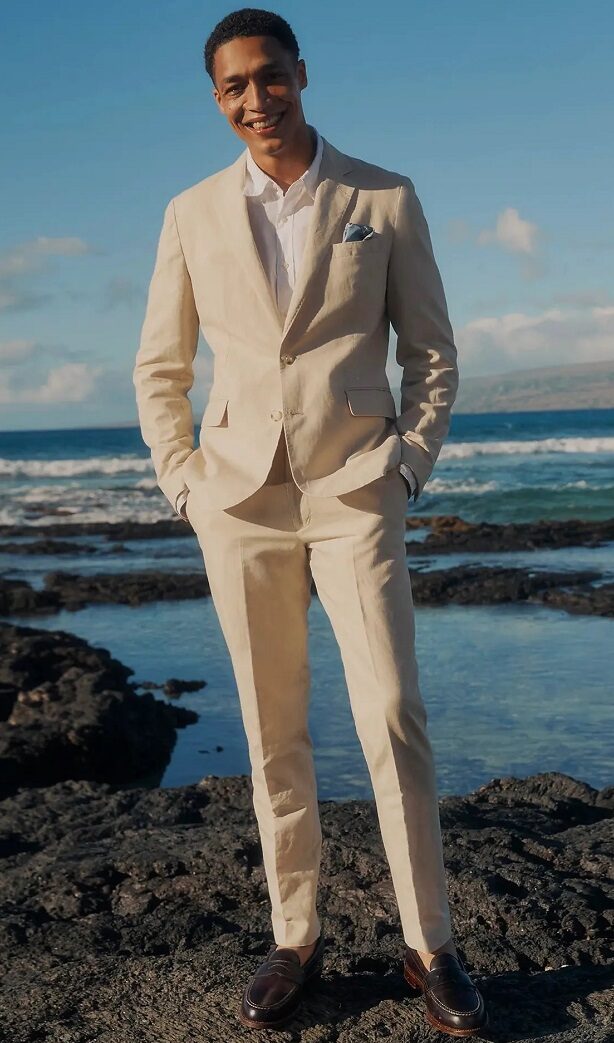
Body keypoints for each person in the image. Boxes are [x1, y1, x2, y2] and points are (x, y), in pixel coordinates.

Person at [133, 7, 488, 1036]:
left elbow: (431, 354)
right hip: (238, 500)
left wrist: (405, 466)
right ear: (217, 99)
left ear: (301, 74)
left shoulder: (382, 195)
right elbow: (160, 368)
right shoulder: (189, 212)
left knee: (390, 713)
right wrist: (185, 483)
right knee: (270, 728)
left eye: (270, 76)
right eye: (234, 86)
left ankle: (431, 941)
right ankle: (295, 935)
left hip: (353, 493)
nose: (256, 98)